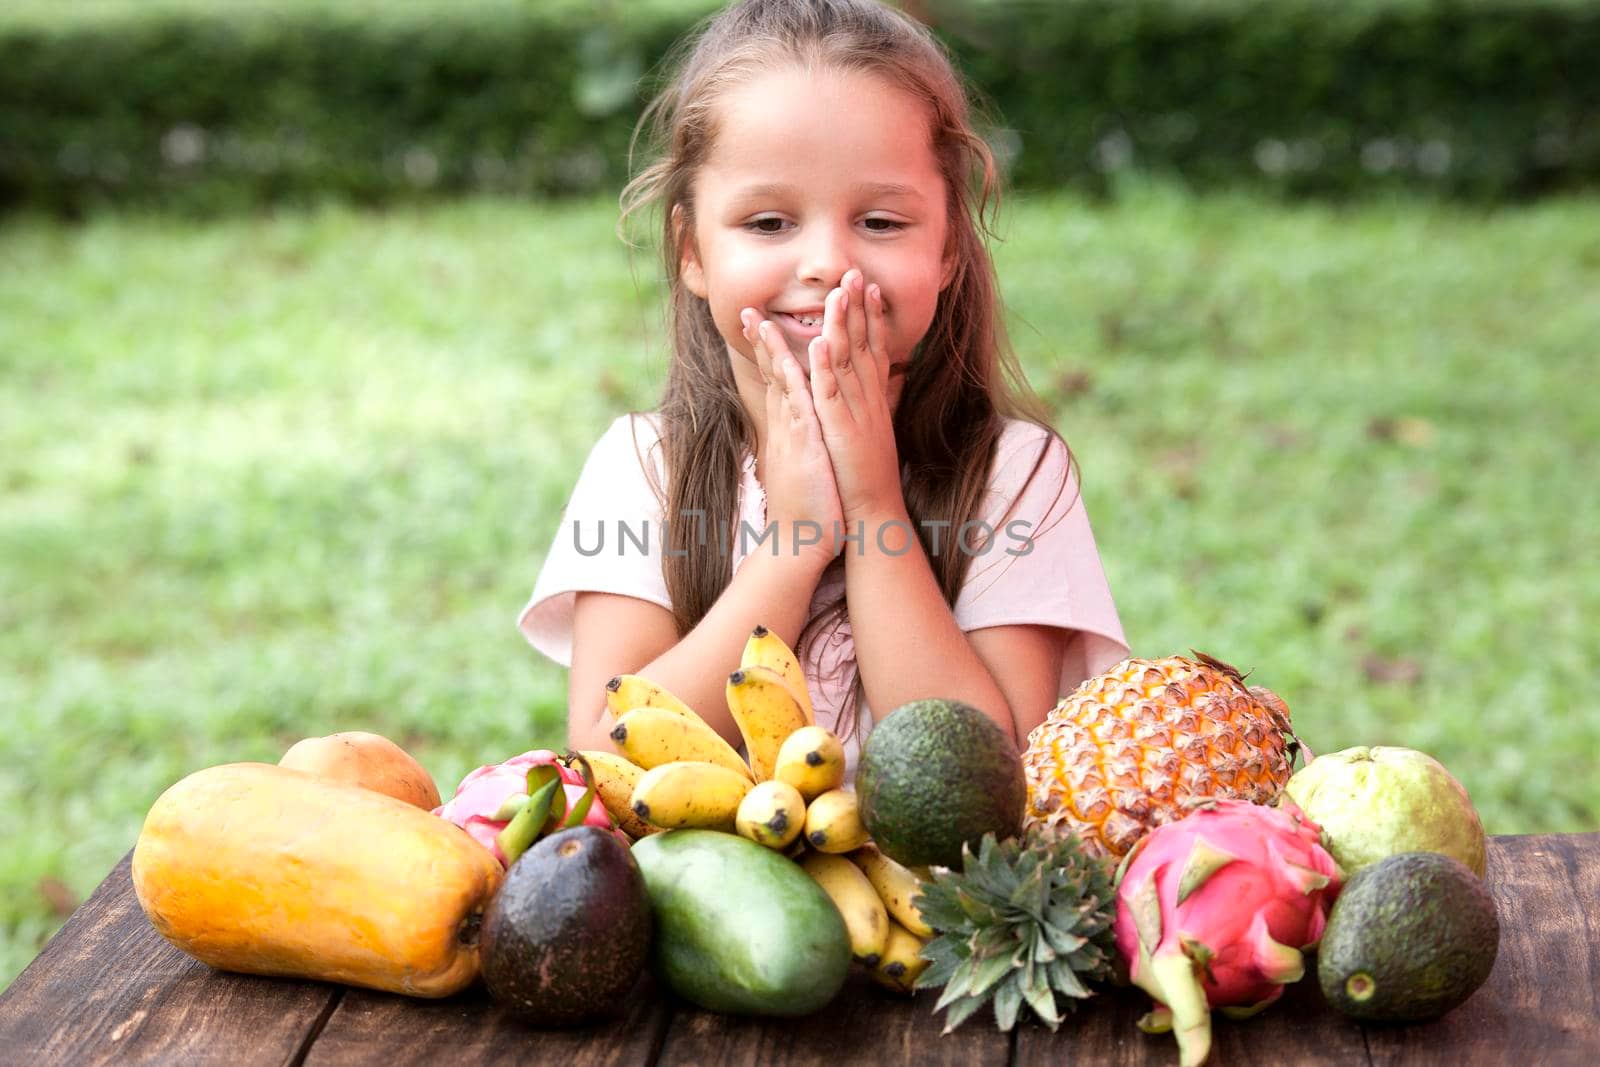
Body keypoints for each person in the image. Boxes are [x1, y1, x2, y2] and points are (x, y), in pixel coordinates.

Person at [520, 0, 1127, 780]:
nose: (828, 263)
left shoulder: (1013, 475)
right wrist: (796, 540)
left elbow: (990, 781)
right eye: (769, 223)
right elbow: (604, 755)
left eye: (879, 222)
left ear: (948, 249)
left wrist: (874, 504)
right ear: (691, 251)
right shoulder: (644, 468)